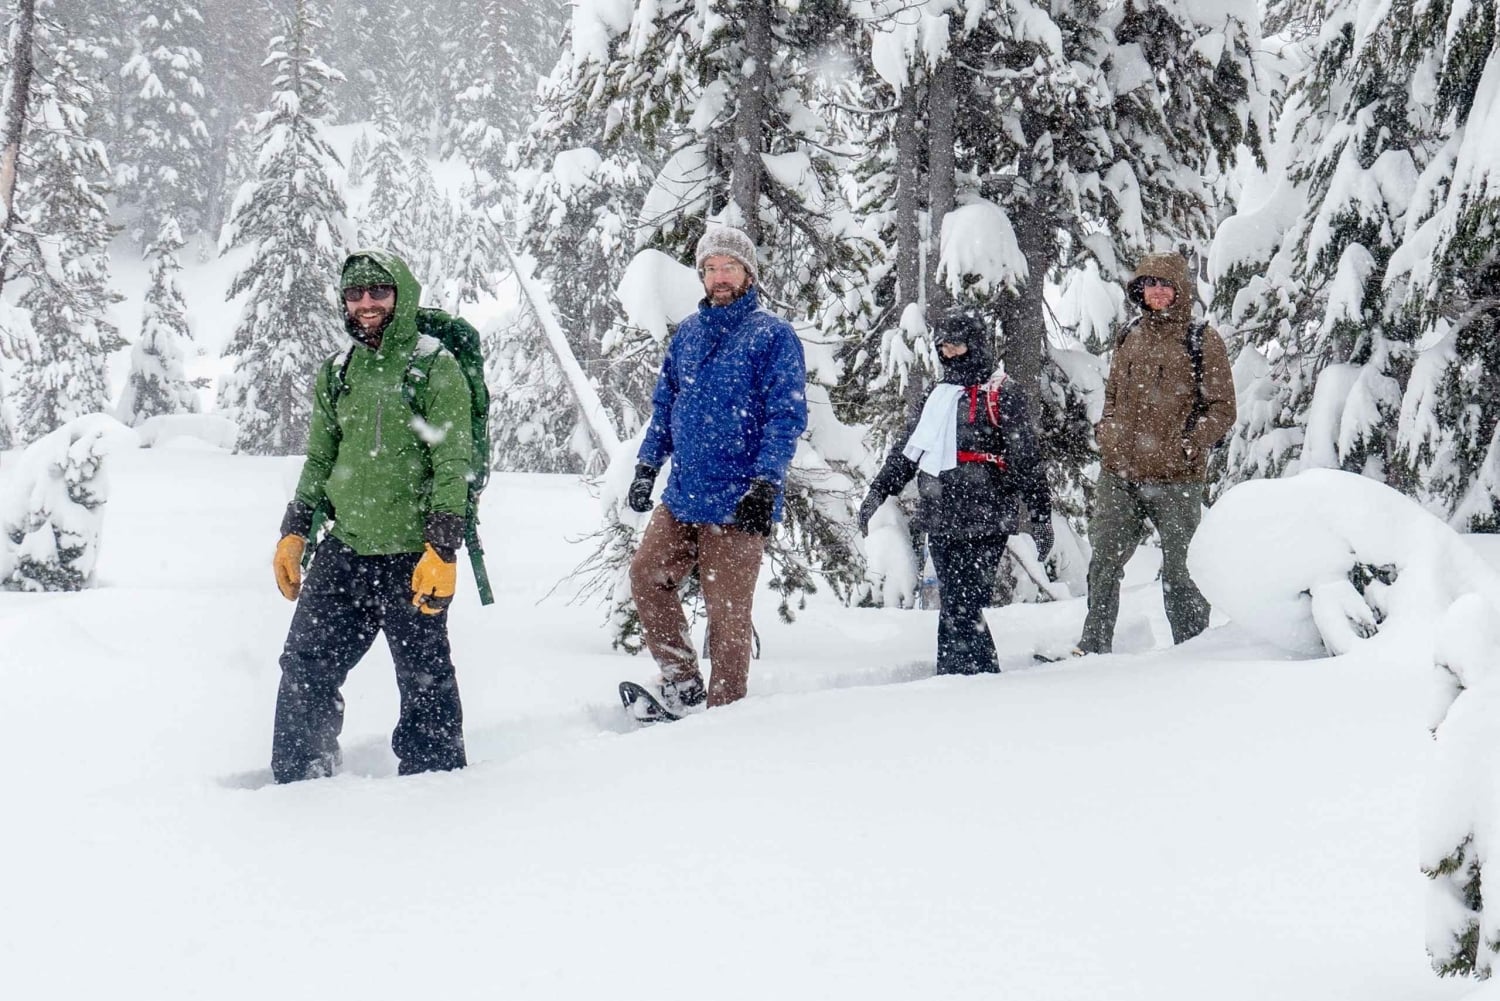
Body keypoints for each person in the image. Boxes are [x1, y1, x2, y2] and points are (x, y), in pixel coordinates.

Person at [268, 249, 473, 782]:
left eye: (378, 291)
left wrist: (442, 548)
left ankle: (437, 784)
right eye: (355, 293)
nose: (366, 303)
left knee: (423, 676)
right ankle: (299, 776)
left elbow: (452, 460)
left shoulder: (435, 366)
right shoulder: (339, 371)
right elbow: (320, 458)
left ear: (400, 296)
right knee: (305, 665)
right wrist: (294, 531)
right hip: (347, 548)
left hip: (414, 553)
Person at [624, 225, 808, 714]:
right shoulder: (688, 333)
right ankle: (682, 684)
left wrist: (765, 483)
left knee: (727, 615)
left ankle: (724, 716)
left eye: (729, 267)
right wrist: (647, 465)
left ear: (748, 274)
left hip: (740, 498)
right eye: (710, 268)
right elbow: (666, 406)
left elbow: (786, 415)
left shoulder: (772, 336)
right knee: (646, 576)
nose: (719, 277)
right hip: (684, 493)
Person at [857, 311, 1053, 676]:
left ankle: (964, 678)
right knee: (955, 600)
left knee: (966, 601)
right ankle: (965, 675)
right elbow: (907, 450)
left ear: (975, 345)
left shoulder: (1001, 392)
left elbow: (1025, 457)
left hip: (987, 514)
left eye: (957, 346)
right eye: (944, 347)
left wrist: (1040, 513)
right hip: (941, 514)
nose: (950, 354)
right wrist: (879, 490)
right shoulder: (937, 395)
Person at [1072, 251, 1236, 655]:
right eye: (1150, 284)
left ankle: (1192, 651)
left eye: (1166, 284)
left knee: (1182, 573)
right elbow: (1113, 395)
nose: (1158, 292)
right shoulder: (1129, 334)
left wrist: (1188, 444)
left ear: (1181, 290)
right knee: (1104, 562)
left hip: (1176, 479)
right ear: (1140, 290)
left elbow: (1222, 409)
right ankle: (1092, 647)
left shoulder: (1201, 339)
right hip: (1120, 473)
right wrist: (1108, 432)